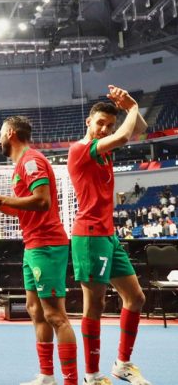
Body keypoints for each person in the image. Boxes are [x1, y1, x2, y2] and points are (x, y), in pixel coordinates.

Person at [0, 116, 78, 385]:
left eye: (1, 133)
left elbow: (42, 201)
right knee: (35, 309)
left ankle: (70, 380)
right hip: (33, 243)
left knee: (56, 315)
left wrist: (5, 199)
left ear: (11, 133)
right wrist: (1, 205)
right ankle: (47, 376)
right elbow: (25, 208)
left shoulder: (30, 160)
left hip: (47, 244)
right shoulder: (20, 165)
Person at [67, 86, 150, 385]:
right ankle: (92, 375)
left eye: (109, 125)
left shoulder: (103, 152)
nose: (104, 129)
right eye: (100, 123)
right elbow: (125, 136)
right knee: (95, 306)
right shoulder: (80, 150)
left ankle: (122, 364)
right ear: (88, 122)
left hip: (108, 235)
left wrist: (131, 105)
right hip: (89, 236)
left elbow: (140, 129)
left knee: (136, 298)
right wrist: (133, 108)